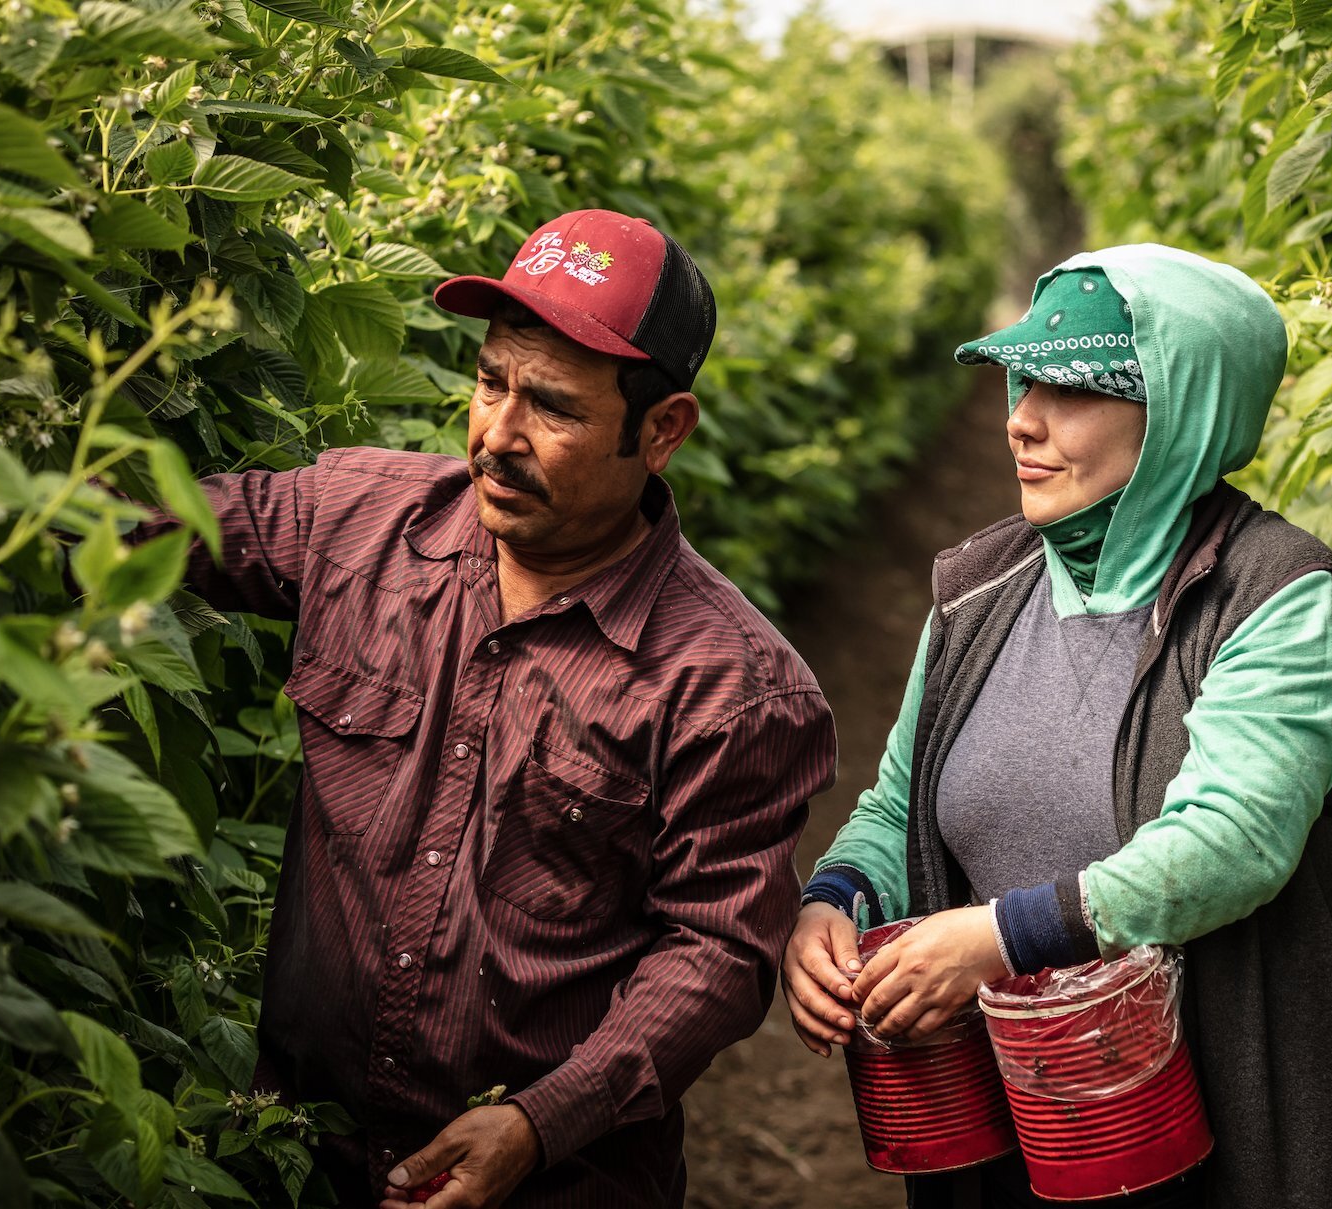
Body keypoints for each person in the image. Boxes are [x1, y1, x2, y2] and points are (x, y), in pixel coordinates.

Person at [130, 209, 835, 1207]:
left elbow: (717, 952)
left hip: (556, 1186)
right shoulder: (357, 524)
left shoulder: (731, 685)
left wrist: (543, 1123)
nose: (496, 437)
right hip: (300, 1156)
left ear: (663, 431)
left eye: (553, 407)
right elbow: (149, 528)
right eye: (491, 381)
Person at [781, 245, 1332, 1208]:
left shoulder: (1274, 595)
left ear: (1179, 413)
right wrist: (836, 899)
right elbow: (896, 803)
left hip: (1246, 1117)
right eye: (1019, 380)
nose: (1021, 420)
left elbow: (1231, 840)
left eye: (1069, 390)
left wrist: (1002, 934)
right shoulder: (976, 590)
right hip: (1039, 1119)